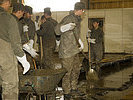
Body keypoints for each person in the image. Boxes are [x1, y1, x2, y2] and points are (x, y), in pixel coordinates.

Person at [0, 0, 30, 99]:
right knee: (10, 84)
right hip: (5, 54)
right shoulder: (7, 18)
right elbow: (16, 42)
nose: (10, 5)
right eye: (9, 2)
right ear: (6, 2)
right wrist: (23, 59)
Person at [55, 2, 85, 98]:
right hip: (67, 51)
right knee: (67, 72)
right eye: (83, 11)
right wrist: (64, 27)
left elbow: (75, 34)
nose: (83, 13)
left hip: (74, 50)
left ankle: (74, 88)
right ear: (80, 10)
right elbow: (56, 30)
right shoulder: (68, 18)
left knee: (76, 69)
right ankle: (67, 92)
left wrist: (80, 42)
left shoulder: (77, 19)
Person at [20, 5, 38, 69]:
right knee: (21, 63)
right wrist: (21, 30)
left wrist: (31, 41)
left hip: (28, 44)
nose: (30, 15)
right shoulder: (19, 22)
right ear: (24, 13)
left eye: (31, 14)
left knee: (29, 61)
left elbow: (32, 33)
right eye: (29, 14)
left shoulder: (31, 23)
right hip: (20, 46)